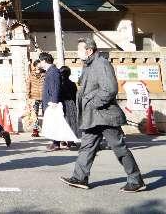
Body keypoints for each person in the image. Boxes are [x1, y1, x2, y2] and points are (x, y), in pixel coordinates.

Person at [61, 38, 146, 192]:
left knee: (119, 147)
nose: (78, 53)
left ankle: (136, 180)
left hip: (105, 115)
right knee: (86, 146)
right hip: (93, 116)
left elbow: (109, 89)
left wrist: (93, 103)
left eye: (80, 49)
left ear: (89, 50)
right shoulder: (89, 65)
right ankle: (80, 177)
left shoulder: (101, 64)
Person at [39, 52, 62, 151]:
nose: (40, 64)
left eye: (40, 61)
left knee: (54, 122)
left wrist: (54, 101)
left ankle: (56, 143)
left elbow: (55, 87)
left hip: (51, 103)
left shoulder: (53, 71)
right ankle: (54, 141)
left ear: (44, 61)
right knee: (52, 122)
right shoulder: (50, 71)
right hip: (49, 102)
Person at [60, 66, 79, 148]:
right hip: (71, 103)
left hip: (63, 103)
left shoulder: (60, 84)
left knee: (64, 122)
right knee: (72, 122)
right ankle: (70, 140)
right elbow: (75, 95)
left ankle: (64, 139)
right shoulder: (72, 83)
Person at [27, 59, 45, 137]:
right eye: (38, 64)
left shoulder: (45, 73)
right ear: (35, 65)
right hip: (34, 96)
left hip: (44, 96)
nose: (39, 66)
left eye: (40, 64)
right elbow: (28, 85)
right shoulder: (31, 74)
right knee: (35, 114)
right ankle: (35, 130)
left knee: (46, 113)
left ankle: (47, 129)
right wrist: (28, 96)